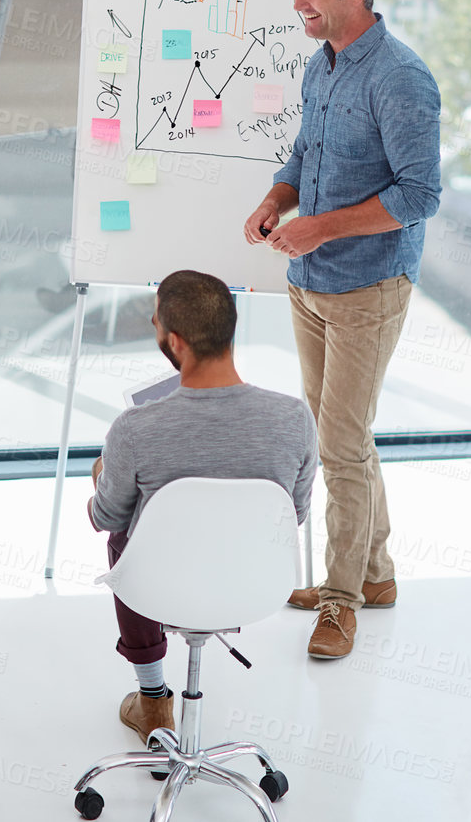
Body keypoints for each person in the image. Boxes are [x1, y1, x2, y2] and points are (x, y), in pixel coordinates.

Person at [242, 0, 442, 660]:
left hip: (368, 285)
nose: (298, 2)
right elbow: (306, 150)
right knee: (343, 436)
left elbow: (420, 194)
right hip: (311, 283)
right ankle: (375, 575)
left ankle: (341, 597)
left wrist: (319, 227)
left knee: (341, 443)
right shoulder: (319, 66)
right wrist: (277, 199)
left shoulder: (401, 79)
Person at [88, 270, 316, 748]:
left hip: (160, 590)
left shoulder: (135, 428)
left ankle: (153, 699)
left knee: (123, 535)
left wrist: (103, 475)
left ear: (173, 340)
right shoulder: (295, 418)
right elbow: (292, 515)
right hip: (255, 587)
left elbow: (104, 518)